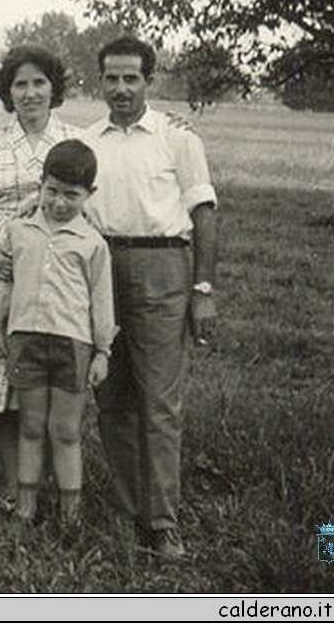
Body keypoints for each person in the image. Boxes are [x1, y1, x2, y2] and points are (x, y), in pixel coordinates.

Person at [82, 36, 217, 560]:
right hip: (101, 266)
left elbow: (204, 214)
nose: (120, 88)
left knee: (159, 401)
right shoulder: (87, 139)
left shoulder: (176, 136)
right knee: (111, 396)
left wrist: (202, 289)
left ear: (148, 81)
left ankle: (162, 522)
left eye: (130, 78)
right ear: (100, 81)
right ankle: (126, 507)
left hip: (163, 265)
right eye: (111, 78)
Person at [0, 45, 81, 506]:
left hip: (52, 266)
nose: (30, 93)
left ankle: (52, 485)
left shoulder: (73, 141)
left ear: (53, 88)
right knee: (2, 383)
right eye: (20, 84)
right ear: (9, 92)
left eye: (38, 83)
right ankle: (14, 487)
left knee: (45, 378)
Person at [0, 140, 115, 527]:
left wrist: (102, 351)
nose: (60, 202)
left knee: (64, 430)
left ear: (89, 195)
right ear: (40, 184)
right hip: (25, 339)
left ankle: (71, 516)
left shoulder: (92, 243)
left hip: (72, 344)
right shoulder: (19, 230)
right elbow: (5, 283)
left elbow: (101, 300)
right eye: (51, 191)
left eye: (72, 194)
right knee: (31, 426)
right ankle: (26, 508)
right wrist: (1, 328)